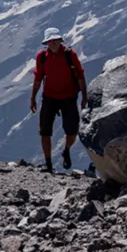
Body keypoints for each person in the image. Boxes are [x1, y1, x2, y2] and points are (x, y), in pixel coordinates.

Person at [30, 27, 88, 173]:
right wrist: (33, 98)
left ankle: (66, 150)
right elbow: (38, 78)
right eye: (51, 40)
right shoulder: (42, 57)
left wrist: (84, 97)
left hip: (69, 97)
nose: (54, 43)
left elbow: (80, 76)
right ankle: (48, 164)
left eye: (56, 40)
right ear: (47, 42)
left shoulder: (70, 55)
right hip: (49, 97)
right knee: (45, 131)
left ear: (60, 40)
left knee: (72, 131)